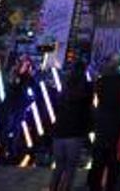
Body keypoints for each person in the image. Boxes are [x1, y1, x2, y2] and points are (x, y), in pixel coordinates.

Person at [88, 53, 120, 191]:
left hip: (101, 125)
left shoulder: (101, 81)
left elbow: (96, 100)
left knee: (97, 164)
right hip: (117, 127)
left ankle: (94, 187)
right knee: (113, 167)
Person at [50, 62, 92, 191]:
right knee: (70, 168)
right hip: (75, 133)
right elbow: (87, 113)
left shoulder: (64, 91)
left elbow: (57, 109)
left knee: (59, 167)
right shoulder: (85, 91)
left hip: (59, 132)